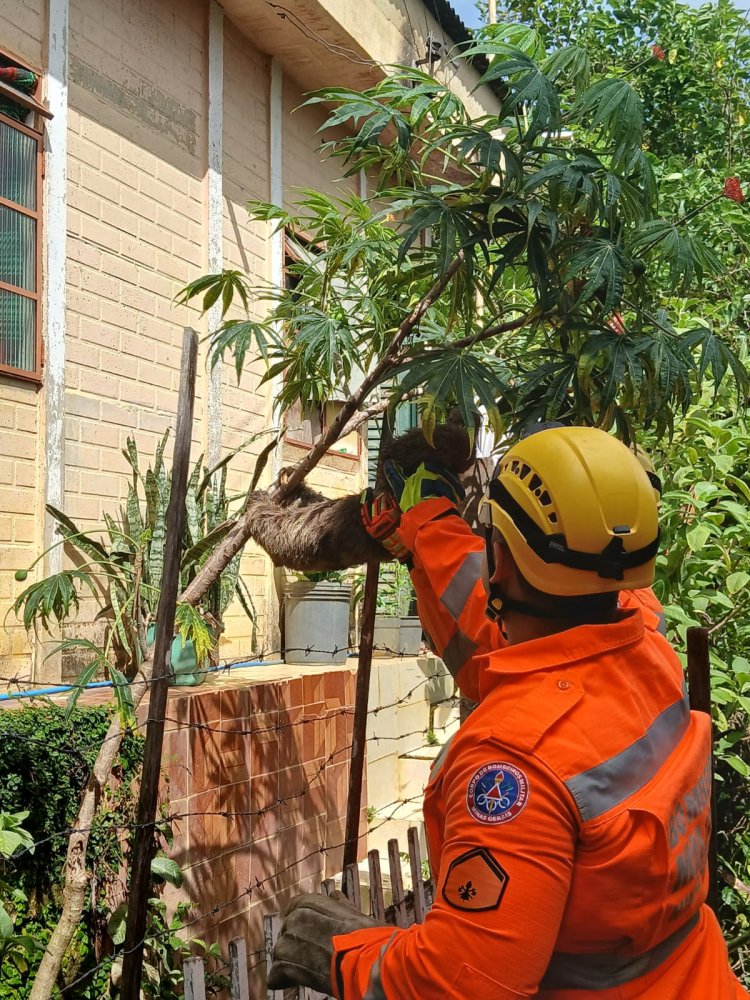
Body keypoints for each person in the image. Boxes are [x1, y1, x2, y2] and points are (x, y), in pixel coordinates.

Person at [268, 426, 748, 999]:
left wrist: (346, 956)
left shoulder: (516, 762)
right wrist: (425, 534)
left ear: (500, 562)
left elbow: (462, 985)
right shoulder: (649, 646)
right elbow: (505, 643)